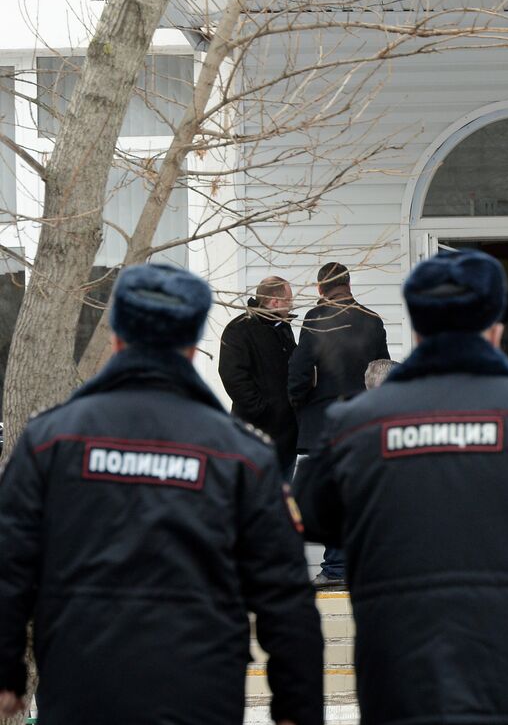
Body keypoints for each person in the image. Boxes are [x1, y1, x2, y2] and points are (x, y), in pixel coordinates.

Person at [294, 248, 508, 725]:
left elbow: (313, 515)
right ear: (497, 328)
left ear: (416, 329)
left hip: (405, 665)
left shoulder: (357, 425)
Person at [0, 264, 323, 725]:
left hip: (81, 687)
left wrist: (8, 669)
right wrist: (297, 705)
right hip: (200, 689)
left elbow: (10, 563)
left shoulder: (52, 441)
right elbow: (284, 593)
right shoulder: (241, 455)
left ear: (115, 336)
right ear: (193, 345)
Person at [288, 261, 390, 587]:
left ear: (320, 288)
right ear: (347, 283)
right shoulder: (372, 319)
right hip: (364, 415)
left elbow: (301, 370)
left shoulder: (317, 319)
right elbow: (382, 367)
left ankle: (335, 568)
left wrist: (298, 401)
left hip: (328, 416)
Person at [219, 274, 299, 476]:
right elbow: (233, 375)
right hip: (253, 433)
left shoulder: (283, 328)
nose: (292, 306)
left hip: (287, 436)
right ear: (275, 301)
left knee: (284, 499)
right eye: (289, 300)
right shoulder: (239, 329)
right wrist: (261, 410)